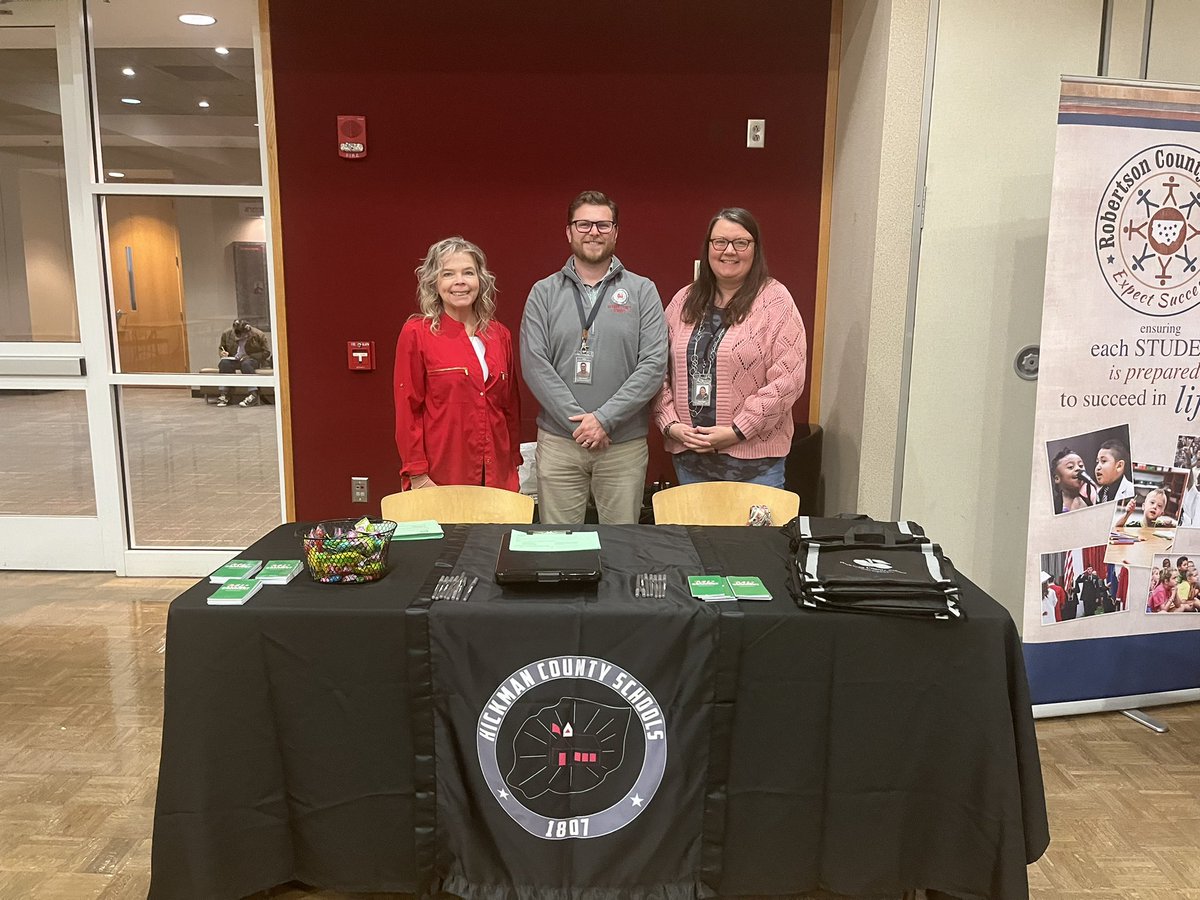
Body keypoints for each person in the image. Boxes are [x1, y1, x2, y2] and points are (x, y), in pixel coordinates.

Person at [520, 190, 667, 524]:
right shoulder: (543, 292)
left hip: (622, 446)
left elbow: (654, 364)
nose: (593, 232)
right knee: (558, 549)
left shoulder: (643, 290)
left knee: (621, 546)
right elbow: (534, 363)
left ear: (615, 231)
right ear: (569, 231)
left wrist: (604, 419)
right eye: (584, 224)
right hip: (560, 443)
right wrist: (581, 423)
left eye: (603, 224)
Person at [652, 208, 807, 488]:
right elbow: (655, 369)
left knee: (756, 535)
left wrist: (738, 430)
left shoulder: (776, 301)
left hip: (756, 466)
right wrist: (670, 424)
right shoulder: (683, 301)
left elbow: (788, 381)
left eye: (741, 242)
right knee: (696, 534)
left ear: (755, 249)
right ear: (709, 247)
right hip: (691, 461)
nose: (729, 251)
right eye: (720, 242)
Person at [394, 237, 521, 491]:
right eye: (448, 274)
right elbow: (408, 409)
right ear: (434, 282)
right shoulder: (417, 333)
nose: (460, 281)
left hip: (498, 474)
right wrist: (417, 474)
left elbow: (510, 409)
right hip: (441, 476)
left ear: (481, 280)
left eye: (468, 273)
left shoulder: (500, 335)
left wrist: (512, 465)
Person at [217, 318, 271, 407]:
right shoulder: (227, 334)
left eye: (243, 336)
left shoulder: (258, 334)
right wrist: (222, 353)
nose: (240, 338)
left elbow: (266, 352)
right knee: (224, 363)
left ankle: (253, 394)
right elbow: (222, 347)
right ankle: (225, 393)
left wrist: (250, 356)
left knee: (246, 364)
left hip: (252, 359)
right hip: (235, 358)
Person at [1050, 447, 1097, 513]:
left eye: (1080, 465)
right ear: (1057, 478)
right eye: (1070, 467)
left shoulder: (1093, 498)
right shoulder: (1052, 507)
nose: (1078, 469)